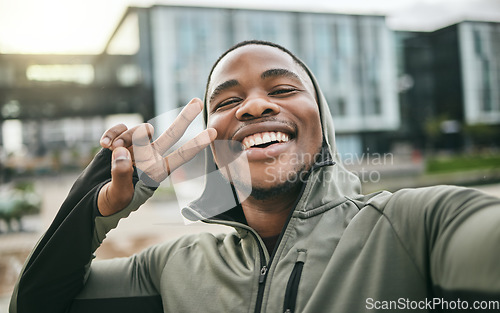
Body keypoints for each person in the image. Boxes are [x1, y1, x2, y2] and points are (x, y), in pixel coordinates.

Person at [9, 40, 500, 313]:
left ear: (322, 122)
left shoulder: (416, 227)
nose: (256, 105)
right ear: (211, 143)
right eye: (226, 102)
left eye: (283, 88)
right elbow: (34, 304)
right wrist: (100, 207)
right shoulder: (170, 268)